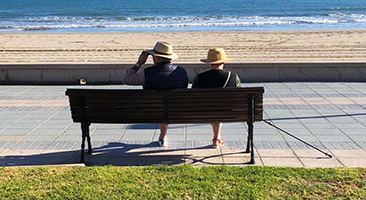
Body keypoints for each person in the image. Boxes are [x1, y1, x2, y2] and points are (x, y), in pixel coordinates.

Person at [123, 41, 189, 147]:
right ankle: (163, 137)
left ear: (157, 58)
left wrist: (139, 63)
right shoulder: (181, 71)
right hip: (176, 110)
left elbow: (126, 80)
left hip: (151, 111)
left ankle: (163, 137)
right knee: (166, 106)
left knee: (162, 106)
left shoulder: (147, 72)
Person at [192, 48, 241, 148]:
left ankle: (216, 138)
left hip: (205, 111)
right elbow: (239, 96)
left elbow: (193, 97)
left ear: (210, 63)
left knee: (212, 107)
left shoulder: (200, 77)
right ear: (223, 62)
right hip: (229, 111)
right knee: (220, 107)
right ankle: (217, 138)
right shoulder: (233, 76)